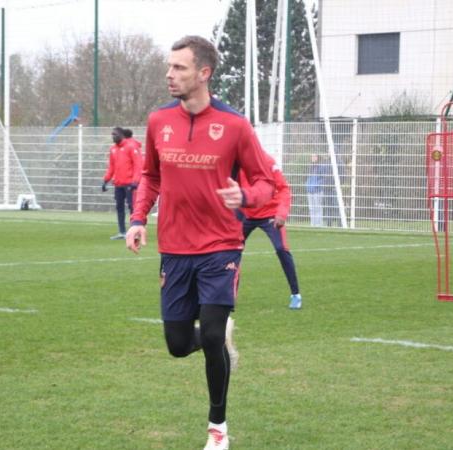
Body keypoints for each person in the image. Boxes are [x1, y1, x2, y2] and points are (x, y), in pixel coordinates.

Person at [125, 35, 275, 450]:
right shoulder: (159, 121)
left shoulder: (234, 126)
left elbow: (267, 181)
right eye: (170, 67)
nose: (169, 75)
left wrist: (245, 196)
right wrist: (138, 219)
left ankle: (218, 429)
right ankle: (220, 340)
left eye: (179, 68)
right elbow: (150, 176)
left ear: (204, 73)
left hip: (221, 247)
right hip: (173, 249)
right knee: (177, 345)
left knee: (209, 335)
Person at [239, 153, 303, 309]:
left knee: (281, 249)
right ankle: (227, 295)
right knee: (228, 252)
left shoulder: (267, 161)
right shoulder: (234, 160)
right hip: (245, 213)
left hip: (270, 214)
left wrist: (281, 213)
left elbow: (283, 189)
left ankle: (295, 295)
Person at [102, 127, 142, 240]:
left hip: (130, 183)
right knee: (119, 207)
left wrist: (135, 181)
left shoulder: (131, 147)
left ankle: (135, 231)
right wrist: (106, 180)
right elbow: (111, 167)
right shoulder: (113, 149)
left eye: (115, 134)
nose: (113, 137)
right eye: (112, 135)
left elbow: (138, 165)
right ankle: (122, 232)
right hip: (118, 184)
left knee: (133, 207)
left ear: (121, 135)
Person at [306, 153, 326, 227]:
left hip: (318, 191)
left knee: (318, 207)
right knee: (311, 208)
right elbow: (308, 177)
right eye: (312, 156)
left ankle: (318, 224)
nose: (313, 158)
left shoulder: (321, 167)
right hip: (310, 191)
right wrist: (307, 185)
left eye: (314, 156)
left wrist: (317, 184)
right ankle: (313, 224)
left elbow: (324, 178)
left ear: (318, 157)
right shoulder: (310, 167)